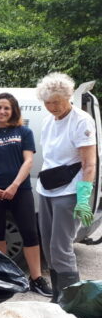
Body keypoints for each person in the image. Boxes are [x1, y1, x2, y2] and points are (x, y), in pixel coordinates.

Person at [0, 93, 52, 297]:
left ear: (13, 111)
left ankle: (36, 278)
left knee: (30, 233)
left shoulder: (24, 132)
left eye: (6, 108)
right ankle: (2, 277)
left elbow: (28, 161)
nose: (2, 111)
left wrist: (14, 186)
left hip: (20, 190)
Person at [35, 72, 97, 302]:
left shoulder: (81, 121)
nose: (52, 107)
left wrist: (83, 199)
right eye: (48, 103)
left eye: (57, 102)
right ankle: (58, 297)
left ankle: (74, 303)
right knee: (49, 249)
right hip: (46, 189)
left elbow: (89, 165)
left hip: (70, 192)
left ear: (68, 97)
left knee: (62, 249)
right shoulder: (47, 121)